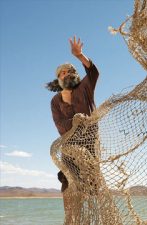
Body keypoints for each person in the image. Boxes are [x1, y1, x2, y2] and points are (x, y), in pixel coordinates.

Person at [46, 36, 99, 192]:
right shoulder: (55, 101)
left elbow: (93, 72)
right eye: (62, 73)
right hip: (69, 149)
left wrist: (79, 56)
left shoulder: (85, 88)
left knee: (92, 189)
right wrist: (76, 120)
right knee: (68, 188)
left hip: (90, 146)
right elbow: (60, 126)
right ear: (58, 79)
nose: (66, 74)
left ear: (75, 74)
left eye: (70, 71)